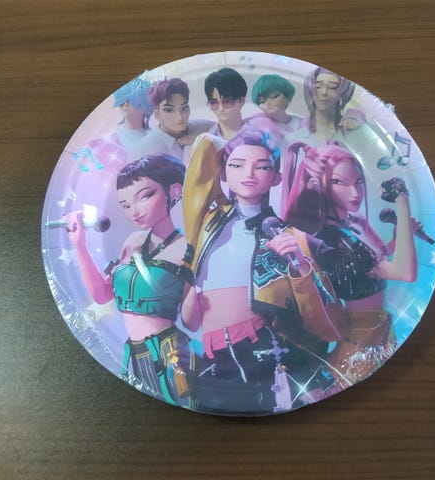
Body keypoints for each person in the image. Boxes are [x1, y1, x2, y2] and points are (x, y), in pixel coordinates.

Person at [179, 128, 349, 415]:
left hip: (265, 347)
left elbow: (325, 319)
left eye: (262, 167)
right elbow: (204, 148)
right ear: (223, 172)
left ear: (277, 178)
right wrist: (237, 141)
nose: (249, 174)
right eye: (237, 165)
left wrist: (299, 265)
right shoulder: (205, 222)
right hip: (213, 354)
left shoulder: (287, 235)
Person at [65, 155, 198, 408]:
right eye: (125, 205)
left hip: (171, 352)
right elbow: (102, 294)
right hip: (132, 352)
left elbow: (192, 320)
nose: (134, 211)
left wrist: (200, 280)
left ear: (173, 191)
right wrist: (79, 245)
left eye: (144, 196)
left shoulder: (189, 247)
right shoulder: (133, 241)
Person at [284, 144, 418, 384]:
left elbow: (375, 261)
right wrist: (402, 201)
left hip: (380, 330)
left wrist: (399, 237)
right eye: (339, 182)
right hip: (360, 338)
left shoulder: (354, 222)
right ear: (317, 185)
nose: (355, 192)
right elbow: (404, 272)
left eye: (358, 182)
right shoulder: (329, 238)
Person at [283, 67, 365, 211]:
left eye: (332, 87)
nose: (323, 92)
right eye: (318, 86)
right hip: (306, 214)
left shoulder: (353, 133)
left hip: (346, 214)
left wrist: (358, 116)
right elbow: (287, 189)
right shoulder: (295, 140)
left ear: (342, 93)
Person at [130, 78, 213, 166]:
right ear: (157, 114)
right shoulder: (145, 149)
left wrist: (202, 136)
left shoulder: (201, 126)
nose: (179, 117)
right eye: (169, 110)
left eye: (184, 108)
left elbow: (219, 127)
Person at [89, 75, 154, 169]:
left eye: (131, 101)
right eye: (122, 101)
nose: (125, 105)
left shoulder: (159, 139)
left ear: (146, 105)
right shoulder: (103, 146)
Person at [204, 67, 249, 141]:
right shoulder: (207, 140)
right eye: (214, 103)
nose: (221, 109)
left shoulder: (258, 133)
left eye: (227, 101)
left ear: (242, 100)